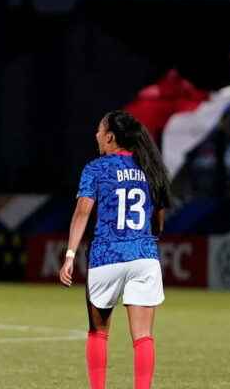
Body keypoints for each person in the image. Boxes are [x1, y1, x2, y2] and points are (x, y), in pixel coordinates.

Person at [59, 110, 172, 389]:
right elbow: (158, 220)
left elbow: (82, 211)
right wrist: (149, 237)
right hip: (143, 256)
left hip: (106, 257)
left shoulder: (96, 168)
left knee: (98, 333)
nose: (95, 135)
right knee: (143, 337)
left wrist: (70, 255)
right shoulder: (149, 166)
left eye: (99, 130)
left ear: (110, 137)